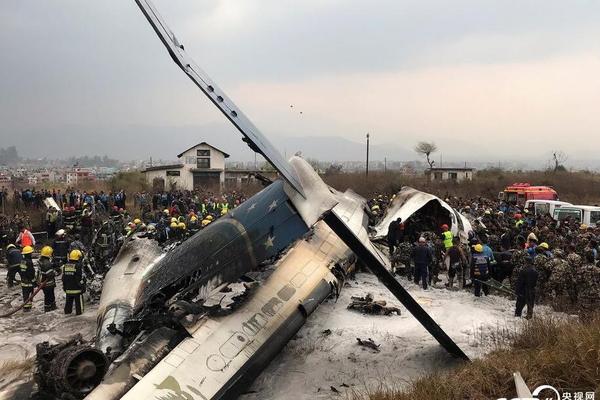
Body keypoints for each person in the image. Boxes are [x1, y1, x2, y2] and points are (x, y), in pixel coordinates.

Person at [62, 249, 85, 315]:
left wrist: (65, 287)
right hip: (77, 290)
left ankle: (67, 312)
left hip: (68, 290)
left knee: (68, 306)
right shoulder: (78, 266)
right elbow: (80, 278)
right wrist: (83, 286)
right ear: (78, 257)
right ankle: (78, 313)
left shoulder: (65, 265)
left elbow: (64, 278)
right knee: (79, 310)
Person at [37, 245, 58, 312]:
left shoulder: (42, 261)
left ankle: (51, 306)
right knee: (49, 296)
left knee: (49, 296)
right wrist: (57, 272)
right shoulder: (47, 263)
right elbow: (50, 275)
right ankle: (48, 308)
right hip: (48, 284)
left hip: (43, 283)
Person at [20, 245, 36, 312]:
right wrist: (34, 281)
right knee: (29, 295)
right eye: (31, 253)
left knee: (25, 295)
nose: (32, 254)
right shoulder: (29, 262)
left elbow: (22, 271)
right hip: (28, 282)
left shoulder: (22, 261)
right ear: (28, 254)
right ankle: (27, 308)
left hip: (23, 281)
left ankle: (26, 307)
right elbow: (31, 272)